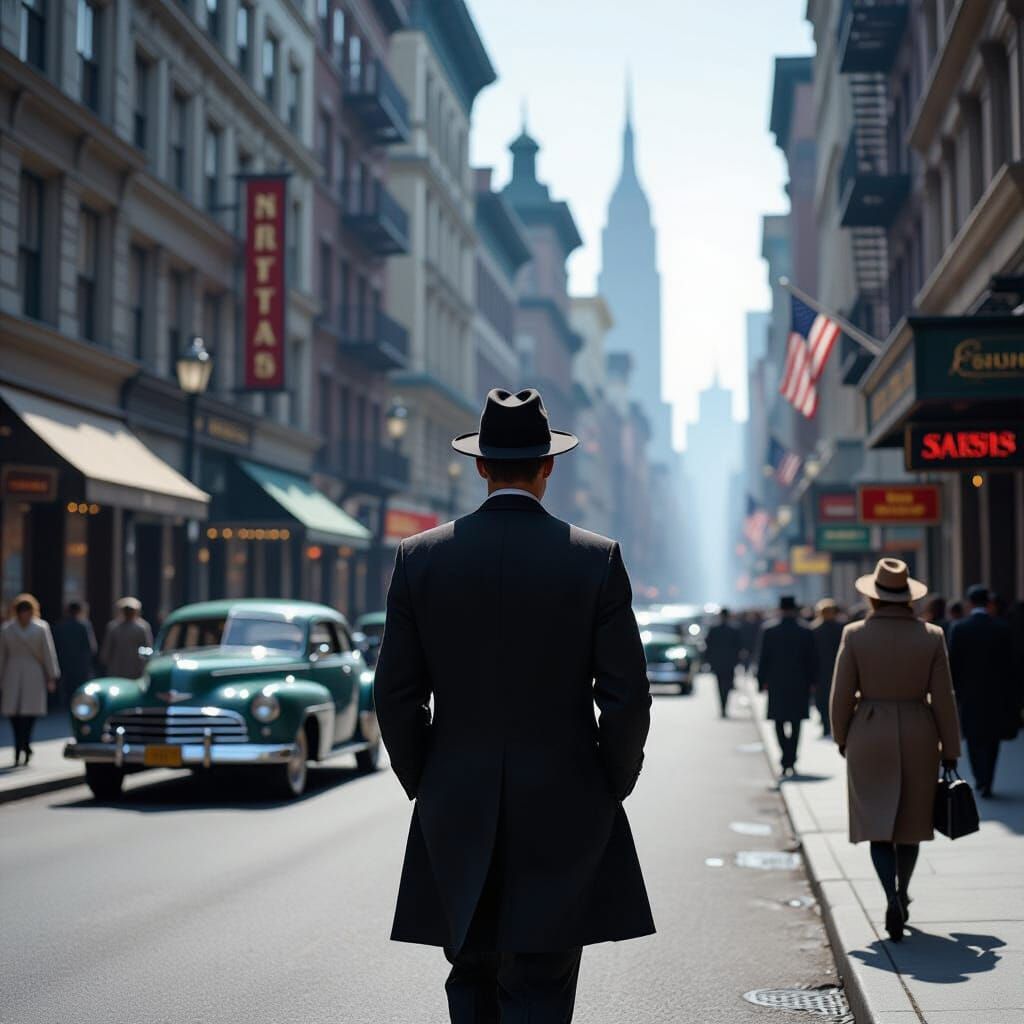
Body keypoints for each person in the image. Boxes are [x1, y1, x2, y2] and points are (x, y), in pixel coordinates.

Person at [374, 388, 654, 1024]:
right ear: (548, 465)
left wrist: (428, 779)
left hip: (456, 802)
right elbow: (627, 699)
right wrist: (608, 783)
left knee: (469, 978)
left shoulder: (420, 558)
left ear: (480, 465)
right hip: (565, 804)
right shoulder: (594, 559)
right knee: (541, 985)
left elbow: (394, 696)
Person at [830, 558, 961, 943]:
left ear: (873, 596)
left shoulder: (855, 634)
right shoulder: (932, 635)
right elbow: (944, 699)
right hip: (920, 731)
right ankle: (903, 893)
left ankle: (889, 895)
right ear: (908, 597)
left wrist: (842, 737)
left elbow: (840, 696)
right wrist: (950, 749)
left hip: (868, 732)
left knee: (877, 826)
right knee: (911, 825)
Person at [948, 584, 1016, 797]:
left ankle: (979, 778)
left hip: (969, 694)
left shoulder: (960, 628)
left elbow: (953, 664)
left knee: (973, 738)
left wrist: (955, 692)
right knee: (992, 739)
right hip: (996, 693)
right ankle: (988, 779)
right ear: (989, 603)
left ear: (969, 603)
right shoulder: (1002, 627)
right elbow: (1011, 665)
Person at [755, 595, 816, 776]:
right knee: (796, 723)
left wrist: (761, 681)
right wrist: (813, 682)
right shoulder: (806, 631)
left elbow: (763, 659)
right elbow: (812, 660)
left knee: (778, 722)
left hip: (777, 683)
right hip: (799, 683)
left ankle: (785, 757)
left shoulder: (769, 630)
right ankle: (791, 757)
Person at [0, 594, 60, 766]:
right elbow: (1, 655)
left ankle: (25, 744)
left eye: (27, 611)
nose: (24, 614)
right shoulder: (7, 629)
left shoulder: (41, 628)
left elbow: (48, 653)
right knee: (14, 713)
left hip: (33, 672)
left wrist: (51, 676)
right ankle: (20, 745)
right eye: (21, 611)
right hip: (12, 671)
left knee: (30, 713)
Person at [52, 601, 97, 707]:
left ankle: (65, 704)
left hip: (64, 662)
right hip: (80, 664)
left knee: (66, 686)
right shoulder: (84, 625)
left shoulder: (59, 626)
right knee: (79, 687)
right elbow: (91, 647)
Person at [810, 599, 843, 737]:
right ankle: (831, 724)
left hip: (820, 671)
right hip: (837, 668)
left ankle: (826, 724)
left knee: (822, 700)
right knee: (835, 699)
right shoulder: (841, 628)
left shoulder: (814, 630)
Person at [100, 597, 153, 679]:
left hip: (134, 667)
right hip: (119, 666)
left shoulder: (141, 628)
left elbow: (147, 648)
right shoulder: (114, 627)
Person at [704, 607, 742, 717]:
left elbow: (708, 646)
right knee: (727, 686)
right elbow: (738, 647)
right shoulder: (734, 630)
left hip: (718, 662)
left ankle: (723, 707)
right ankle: (724, 706)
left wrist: (708, 661)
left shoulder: (714, 629)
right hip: (729, 663)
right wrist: (736, 661)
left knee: (720, 685)